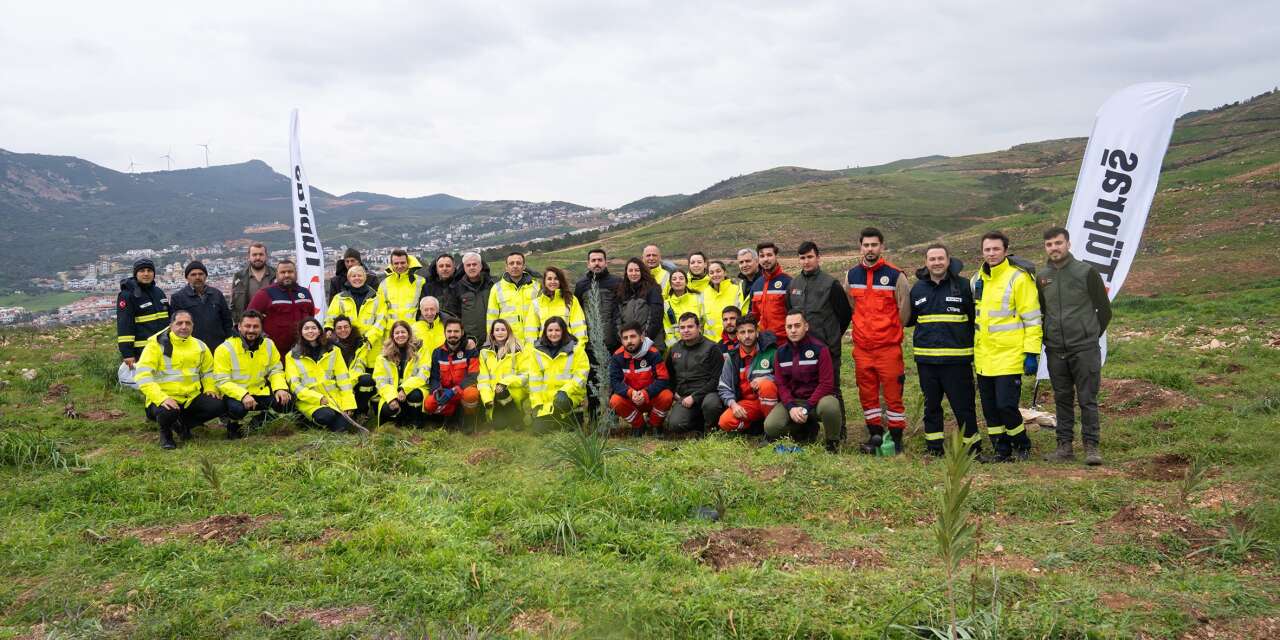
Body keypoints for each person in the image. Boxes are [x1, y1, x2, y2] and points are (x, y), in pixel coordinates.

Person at [1039, 227, 1112, 466]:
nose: (1054, 248)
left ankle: (1091, 447)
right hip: (1055, 349)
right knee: (1062, 398)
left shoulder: (1087, 272)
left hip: (1084, 348)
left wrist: (1089, 335)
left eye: (1058, 243)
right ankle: (1064, 447)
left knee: (1087, 398)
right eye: (1049, 244)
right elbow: (1042, 311)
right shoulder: (1042, 277)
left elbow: (1104, 309)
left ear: (1068, 244)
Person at [973, 231, 1042, 462]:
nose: (991, 253)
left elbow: (1032, 319)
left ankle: (1021, 444)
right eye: (987, 249)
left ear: (1005, 251)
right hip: (983, 357)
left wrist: (1031, 353)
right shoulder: (977, 279)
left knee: (1006, 406)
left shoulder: (1019, 278)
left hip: (1009, 356)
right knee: (990, 409)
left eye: (996, 249)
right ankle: (1001, 450)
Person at [907, 244, 981, 457]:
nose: (937, 262)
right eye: (932, 259)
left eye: (941, 258)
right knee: (931, 407)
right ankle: (934, 449)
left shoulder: (964, 286)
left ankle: (972, 450)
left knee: (964, 408)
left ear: (948, 260)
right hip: (927, 362)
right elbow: (910, 320)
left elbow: (975, 319)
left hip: (957, 362)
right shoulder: (917, 289)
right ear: (926, 262)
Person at [844, 229, 910, 454]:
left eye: (874, 245)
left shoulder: (896, 275)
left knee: (893, 395)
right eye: (866, 245)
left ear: (882, 246)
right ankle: (875, 435)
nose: (870, 249)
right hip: (862, 349)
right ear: (860, 247)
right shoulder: (852, 275)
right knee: (867, 394)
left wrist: (889, 332)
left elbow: (904, 311)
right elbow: (852, 305)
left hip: (888, 348)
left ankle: (896, 440)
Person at [134, 310, 224, 449]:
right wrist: (161, 398)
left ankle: (183, 425)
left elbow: (208, 371)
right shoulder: (155, 346)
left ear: (193, 326)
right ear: (171, 325)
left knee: (219, 405)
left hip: (190, 398)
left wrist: (210, 388)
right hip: (162, 399)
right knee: (168, 411)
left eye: (188, 323)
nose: (184, 327)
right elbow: (143, 376)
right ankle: (166, 435)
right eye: (179, 323)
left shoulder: (200, 346)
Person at [764, 311, 842, 452]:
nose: (793, 330)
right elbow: (781, 384)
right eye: (789, 327)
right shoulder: (780, 353)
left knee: (831, 406)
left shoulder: (820, 349)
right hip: (794, 401)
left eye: (797, 325)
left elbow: (826, 384)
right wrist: (791, 407)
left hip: (818, 401)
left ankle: (832, 442)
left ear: (806, 326)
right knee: (771, 426)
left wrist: (807, 407)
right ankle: (805, 430)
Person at [213, 310, 291, 440]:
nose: (251, 330)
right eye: (247, 326)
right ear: (239, 326)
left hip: (260, 391)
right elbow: (222, 380)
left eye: (255, 326)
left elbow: (276, 370)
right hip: (235, 395)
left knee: (287, 401)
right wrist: (243, 395)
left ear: (261, 328)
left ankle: (258, 421)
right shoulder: (224, 348)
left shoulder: (268, 344)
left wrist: (280, 388)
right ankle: (233, 424)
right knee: (238, 410)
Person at [789, 241, 852, 388]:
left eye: (810, 257)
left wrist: (831, 337)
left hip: (827, 350)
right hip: (801, 349)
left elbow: (845, 315)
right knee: (805, 390)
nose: (806, 261)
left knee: (831, 390)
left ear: (818, 257)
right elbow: (790, 312)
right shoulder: (793, 285)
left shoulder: (831, 284)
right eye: (802, 258)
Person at [285, 317, 357, 433]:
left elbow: (344, 379)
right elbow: (295, 385)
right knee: (326, 416)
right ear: (301, 332)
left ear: (319, 331)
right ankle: (304, 419)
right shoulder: (292, 356)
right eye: (306, 328)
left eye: (314, 328)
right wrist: (318, 398)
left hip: (334, 399)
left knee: (344, 427)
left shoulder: (333, 350)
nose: (310, 331)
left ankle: (325, 423)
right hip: (309, 401)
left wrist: (348, 403)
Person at [664, 312, 725, 435]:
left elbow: (717, 379)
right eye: (682, 327)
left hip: (708, 394)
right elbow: (669, 376)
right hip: (685, 398)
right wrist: (674, 392)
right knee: (675, 424)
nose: (686, 330)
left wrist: (694, 397)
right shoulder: (674, 349)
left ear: (699, 327)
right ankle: (699, 426)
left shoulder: (712, 348)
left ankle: (711, 430)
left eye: (690, 326)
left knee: (711, 405)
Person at [717, 314, 779, 433]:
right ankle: (756, 426)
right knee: (725, 422)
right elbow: (723, 387)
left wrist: (767, 378)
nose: (747, 336)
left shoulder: (771, 352)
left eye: (750, 331)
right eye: (742, 332)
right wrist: (734, 405)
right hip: (748, 404)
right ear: (737, 335)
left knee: (766, 385)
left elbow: (785, 379)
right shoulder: (732, 357)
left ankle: (771, 427)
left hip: (771, 402)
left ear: (757, 332)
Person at [608, 322, 673, 433]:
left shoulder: (654, 353)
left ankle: (655, 425)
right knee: (615, 400)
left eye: (633, 336)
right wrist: (631, 393)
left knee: (667, 396)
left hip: (650, 397)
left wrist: (645, 393)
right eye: (625, 338)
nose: (629, 341)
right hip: (631, 398)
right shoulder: (617, 356)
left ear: (642, 337)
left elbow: (663, 379)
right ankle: (639, 425)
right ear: (621, 340)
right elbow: (615, 382)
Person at [526, 316, 589, 430]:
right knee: (538, 430)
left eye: (557, 330)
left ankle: (572, 417)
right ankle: (555, 420)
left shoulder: (576, 349)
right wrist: (537, 404)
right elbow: (534, 381)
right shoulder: (536, 351)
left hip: (569, 397)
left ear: (563, 331)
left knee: (568, 426)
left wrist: (565, 391)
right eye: (550, 330)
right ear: (545, 332)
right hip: (547, 401)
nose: (553, 334)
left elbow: (581, 376)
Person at [246, 259, 317, 354]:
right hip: (276, 352)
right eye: (283, 272)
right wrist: (262, 336)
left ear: (296, 274)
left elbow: (311, 317)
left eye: (290, 272)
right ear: (277, 274)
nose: (286, 275)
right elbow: (249, 317)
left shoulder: (305, 293)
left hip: (304, 349)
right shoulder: (265, 293)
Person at [423, 318, 482, 424]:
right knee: (429, 404)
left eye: (456, 331)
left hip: (463, 390)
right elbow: (434, 377)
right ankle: (451, 416)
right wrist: (437, 391)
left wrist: (454, 390)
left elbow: (473, 376)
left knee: (471, 394)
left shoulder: (470, 350)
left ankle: (470, 419)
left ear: (462, 333)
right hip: (446, 392)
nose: (452, 334)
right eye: (449, 331)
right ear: (444, 333)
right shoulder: (438, 352)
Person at [116, 257, 170, 371]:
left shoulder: (159, 292)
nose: (146, 274)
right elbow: (125, 325)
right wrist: (127, 353)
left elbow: (170, 319)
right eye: (142, 271)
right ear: (136, 274)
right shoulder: (127, 295)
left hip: (164, 349)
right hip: (142, 351)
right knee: (145, 380)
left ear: (154, 273)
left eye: (149, 271)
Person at [169, 260, 234, 350]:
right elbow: (175, 326)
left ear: (206, 276)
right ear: (187, 278)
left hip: (218, 346)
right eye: (193, 274)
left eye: (201, 274)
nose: (197, 277)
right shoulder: (178, 298)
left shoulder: (217, 294)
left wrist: (229, 341)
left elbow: (227, 320)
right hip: (192, 348)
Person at [373, 320, 427, 427]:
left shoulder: (420, 350)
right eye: (397, 333)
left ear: (409, 333)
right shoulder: (383, 356)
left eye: (403, 332)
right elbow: (380, 381)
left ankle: (416, 420)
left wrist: (404, 389)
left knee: (415, 395)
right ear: (392, 336)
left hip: (411, 390)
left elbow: (423, 374)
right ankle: (398, 419)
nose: (400, 335)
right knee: (388, 408)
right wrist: (392, 398)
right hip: (392, 392)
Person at [478, 318, 528, 427]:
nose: (500, 332)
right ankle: (506, 415)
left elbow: (525, 376)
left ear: (508, 331)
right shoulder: (484, 353)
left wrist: (504, 383)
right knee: (499, 426)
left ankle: (516, 418)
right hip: (494, 395)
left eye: (503, 329)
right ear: (492, 333)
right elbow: (483, 380)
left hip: (513, 392)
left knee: (514, 424)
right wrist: (487, 399)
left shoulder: (518, 350)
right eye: (497, 330)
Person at [330, 315, 377, 416]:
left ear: (351, 328)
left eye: (346, 327)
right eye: (339, 328)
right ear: (334, 330)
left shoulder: (360, 344)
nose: (343, 330)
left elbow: (359, 367)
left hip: (353, 379)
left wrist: (348, 385)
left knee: (367, 380)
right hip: (335, 382)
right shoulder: (328, 346)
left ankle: (361, 412)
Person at [526, 266, 586, 344]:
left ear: (560, 281)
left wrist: (579, 346)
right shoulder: (536, 303)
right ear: (544, 282)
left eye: (556, 279)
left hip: (567, 346)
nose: (553, 281)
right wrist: (532, 348)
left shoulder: (571, 300)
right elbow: (531, 332)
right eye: (549, 279)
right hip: (543, 347)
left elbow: (579, 327)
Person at [486, 251, 539, 341]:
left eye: (518, 263)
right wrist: (491, 340)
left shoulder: (536, 287)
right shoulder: (496, 288)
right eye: (511, 263)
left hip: (532, 340)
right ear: (506, 267)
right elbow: (491, 318)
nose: (515, 266)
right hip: (507, 341)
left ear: (524, 266)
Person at [374, 249, 426, 336]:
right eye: (396, 263)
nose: (400, 266)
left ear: (408, 263)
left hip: (414, 332)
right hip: (392, 333)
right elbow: (381, 313)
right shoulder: (384, 284)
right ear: (391, 264)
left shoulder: (420, 282)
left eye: (402, 263)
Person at [615, 257, 665, 348]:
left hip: (651, 343)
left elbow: (656, 316)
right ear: (626, 273)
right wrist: (623, 337)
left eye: (637, 270)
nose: (634, 273)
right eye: (630, 270)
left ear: (642, 271)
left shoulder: (653, 289)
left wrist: (644, 338)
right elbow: (617, 318)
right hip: (629, 344)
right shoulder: (622, 291)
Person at [445, 251, 495, 342]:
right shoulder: (456, 289)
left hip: (492, 338)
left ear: (480, 266)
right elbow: (453, 316)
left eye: (474, 264)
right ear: (464, 268)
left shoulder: (491, 285)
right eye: (468, 265)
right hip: (469, 341)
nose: (471, 267)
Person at [325, 264, 378, 342]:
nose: (357, 278)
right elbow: (331, 317)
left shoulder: (376, 298)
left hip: (371, 342)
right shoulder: (339, 298)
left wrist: (369, 338)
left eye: (359, 276)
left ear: (365, 278)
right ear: (349, 279)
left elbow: (380, 321)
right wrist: (329, 328)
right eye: (353, 276)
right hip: (346, 342)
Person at [749, 242, 791, 335]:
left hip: (784, 338)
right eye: (762, 256)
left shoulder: (788, 282)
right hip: (763, 339)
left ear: (776, 256)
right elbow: (754, 314)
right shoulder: (756, 285)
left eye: (769, 255)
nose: (766, 259)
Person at [701, 260, 744, 342]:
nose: (715, 275)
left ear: (725, 273)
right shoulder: (704, 294)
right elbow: (701, 322)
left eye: (718, 271)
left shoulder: (736, 290)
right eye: (711, 272)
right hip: (710, 343)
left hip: (732, 341)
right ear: (708, 275)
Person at [231, 242, 274, 322]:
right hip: (248, 324)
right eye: (254, 255)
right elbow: (234, 303)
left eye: (261, 254)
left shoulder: (275, 275)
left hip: (272, 322)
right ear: (248, 257)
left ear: (266, 256)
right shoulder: (239, 277)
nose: (258, 257)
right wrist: (238, 322)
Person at [662, 270, 706, 347]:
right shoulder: (666, 305)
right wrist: (676, 347)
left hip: (699, 345)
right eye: (674, 279)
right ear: (670, 284)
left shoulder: (697, 298)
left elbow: (704, 322)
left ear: (686, 282)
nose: (678, 281)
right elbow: (668, 330)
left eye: (681, 278)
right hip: (677, 347)